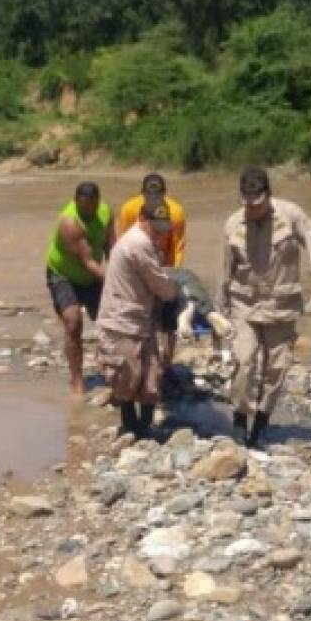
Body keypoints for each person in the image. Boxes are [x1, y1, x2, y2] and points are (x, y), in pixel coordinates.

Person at [219, 166, 311, 449]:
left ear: (268, 196)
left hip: (282, 303)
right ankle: (240, 418)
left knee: (277, 367)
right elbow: (226, 271)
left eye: (258, 204)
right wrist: (220, 311)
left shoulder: (291, 216)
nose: (252, 210)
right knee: (244, 360)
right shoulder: (232, 225)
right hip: (245, 304)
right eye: (247, 204)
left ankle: (262, 421)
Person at [97, 194, 179, 438]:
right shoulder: (137, 243)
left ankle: (144, 428)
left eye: (162, 229)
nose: (159, 233)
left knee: (151, 375)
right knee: (126, 377)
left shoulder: (146, 241)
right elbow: (162, 287)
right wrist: (177, 293)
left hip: (141, 318)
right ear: (142, 219)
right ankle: (132, 427)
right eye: (154, 227)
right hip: (122, 321)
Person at [45, 181, 115, 396]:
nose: (89, 212)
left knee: (110, 320)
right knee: (73, 322)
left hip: (91, 276)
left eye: (92, 207)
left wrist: (121, 276)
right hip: (64, 275)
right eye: (84, 207)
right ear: (76, 202)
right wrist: (116, 283)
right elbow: (88, 262)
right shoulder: (70, 222)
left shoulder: (105, 212)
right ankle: (77, 381)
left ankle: (113, 368)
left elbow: (112, 247)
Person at [117, 173, 187, 368]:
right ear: (142, 194)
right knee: (140, 317)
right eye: (149, 195)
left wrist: (172, 275)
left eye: (157, 195)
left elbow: (178, 246)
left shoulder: (175, 212)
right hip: (138, 266)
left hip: (165, 264)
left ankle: (167, 363)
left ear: (165, 194)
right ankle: (139, 360)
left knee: (169, 317)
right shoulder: (129, 209)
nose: (153, 199)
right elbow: (123, 244)